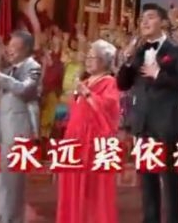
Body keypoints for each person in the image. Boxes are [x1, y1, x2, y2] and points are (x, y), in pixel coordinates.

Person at [116, 3, 178, 223]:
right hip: (143, 124)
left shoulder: (177, 50)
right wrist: (128, 60)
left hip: (167, 124)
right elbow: (122, 84)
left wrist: (159, 74)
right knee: (147, 182)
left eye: (150, 17)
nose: (145, 22)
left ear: (163, 22)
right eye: (142, 19)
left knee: (170, 181)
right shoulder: (139, 52)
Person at [56, 39, 122, 223]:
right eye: (88, 56)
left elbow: (109, 108)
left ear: (104, 61)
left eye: (94, 57)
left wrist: (87, 93)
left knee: (91, 187)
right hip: (75, 139)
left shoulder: (109, 82)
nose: (89, 60)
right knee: (72, 184)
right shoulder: (84, 82)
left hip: (93, 140)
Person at [0, 29, 43, 223]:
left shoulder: (33, 67)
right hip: (4, 129)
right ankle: (4, 218)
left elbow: (25, 90)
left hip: (19, 131)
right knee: (3, 181)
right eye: (9, 46)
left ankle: (13, 219)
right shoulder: (9, 70)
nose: (9, 50)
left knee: (14, 183)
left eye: (14, 46)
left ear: (26, 48)